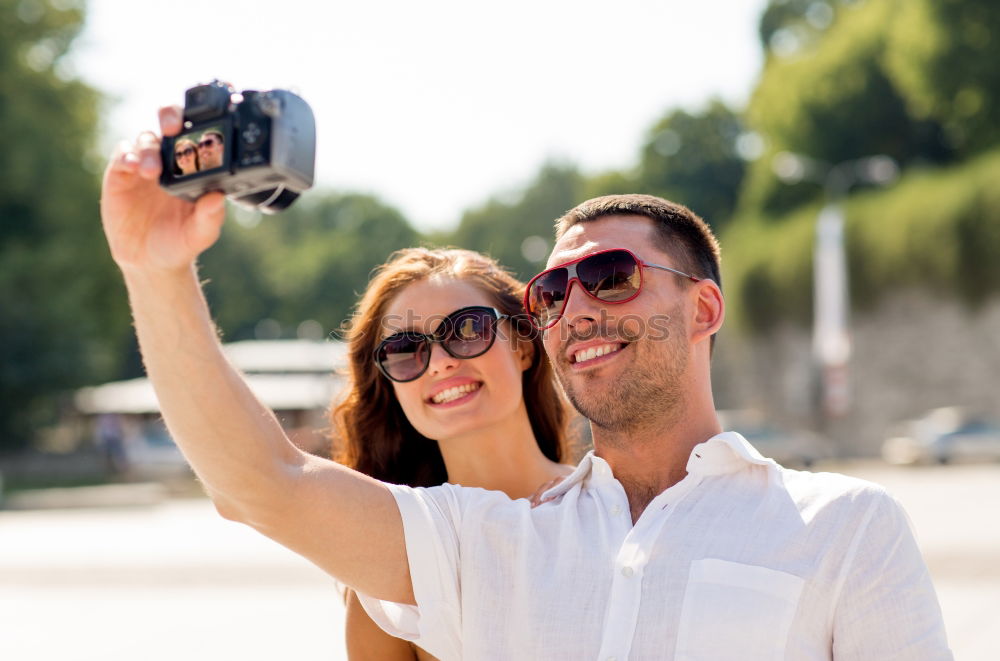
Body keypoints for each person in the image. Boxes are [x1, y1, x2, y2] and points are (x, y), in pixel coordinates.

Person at [102, 106, 951, 660]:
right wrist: (155, 269)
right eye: (551, 291)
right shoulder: (490, 541)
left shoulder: (845, 527)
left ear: (702, 308)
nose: (575, 307)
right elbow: (266, 483)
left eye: (611, 275)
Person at [332, 246, 574, 659]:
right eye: (405, 350)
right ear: (391, 386)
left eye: (467, 330)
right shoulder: (392, 565)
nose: (440, 363)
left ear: (523, 347)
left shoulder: (620, 502)